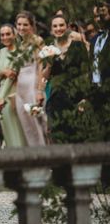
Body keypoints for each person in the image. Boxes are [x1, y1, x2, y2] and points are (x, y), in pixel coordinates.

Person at [44, 14, 93, 143]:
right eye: (55, 26)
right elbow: (45, 77)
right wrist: (49, 63)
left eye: (61, 25)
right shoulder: (49, 48)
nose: (58, 28)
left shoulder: (77, 46)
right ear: (51, 29)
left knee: (78, 135)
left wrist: (85, 98)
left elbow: (86, 72)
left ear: (67, 27)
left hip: (76, 96)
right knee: (58, 136)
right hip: (57, 97)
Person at [14, 11, 47, 146]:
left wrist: (39, 90)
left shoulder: (37, 41)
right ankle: (36, 161)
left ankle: (48, 159)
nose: (21, 28)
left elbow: (41, 66)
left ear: (32, 26)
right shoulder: (18, 44)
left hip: (32, 86)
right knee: (26, 126)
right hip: (19, 89)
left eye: (25, 25)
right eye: (19, 24)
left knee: (39, 125)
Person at [0, 23, 27, 148]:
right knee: (6, 128)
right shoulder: (2, 52)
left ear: (14, 35)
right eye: (2, 35)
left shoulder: (19, 51)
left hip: (13, 92)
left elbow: (11, 78)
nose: (5, 37)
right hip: (2, 91)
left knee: (16, 128)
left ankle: (22, 157)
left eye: (8, 34)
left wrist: (1, 97)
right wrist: (3, 71)